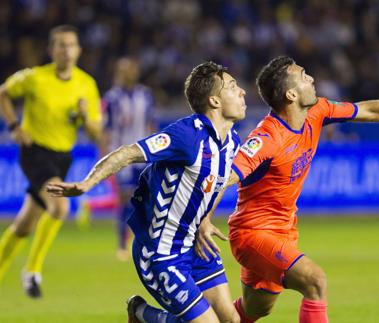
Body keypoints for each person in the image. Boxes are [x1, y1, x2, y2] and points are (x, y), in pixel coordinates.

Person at [197, 56, 379, 322]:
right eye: (304, 76)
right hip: (252, 234)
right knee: (315, 281)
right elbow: (225, 175)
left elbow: (369, 110)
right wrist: (205, 219)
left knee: (251, 312)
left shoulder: (318, 111)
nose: (312, 79)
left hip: (284, 231)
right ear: (291, 94)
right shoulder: (266, 138)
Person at [47, 61, 245, 323]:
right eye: (232, 87)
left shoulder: (231, 142)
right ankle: (142, 313)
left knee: (231, 320)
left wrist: (205, 219)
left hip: (196, 246)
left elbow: (218, 182)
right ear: (214, 102)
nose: (242, 91)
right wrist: (86, 184)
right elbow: (127, 153)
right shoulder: (186, 136)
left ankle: (140, 316)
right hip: (161, 253)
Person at [0, 25, 102, 298]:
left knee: (24, 225)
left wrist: (85, 117)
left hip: (62, 157)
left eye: (71, 45)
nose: (66, 50)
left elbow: (95, 132)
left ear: (78, 50)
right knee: (59, 207)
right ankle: (32, 270)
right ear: (51, 50)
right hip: (35, 152)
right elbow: (3, 93)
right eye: (61, 45)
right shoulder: (35, 78)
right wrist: (13, 126)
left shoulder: (86, 84)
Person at [80, 57, 155, 261]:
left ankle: (143, 241)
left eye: (130, 69)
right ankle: (122, 244)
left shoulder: (145, 95)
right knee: (125, 198)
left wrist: (157, 153)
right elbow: (106, 130)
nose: (127, 73)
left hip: (144, 154)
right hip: (121, 155)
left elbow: (151, 125)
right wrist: (106, 157)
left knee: (147, 199)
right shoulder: (112, 98)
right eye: (123, 70)